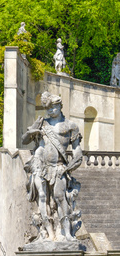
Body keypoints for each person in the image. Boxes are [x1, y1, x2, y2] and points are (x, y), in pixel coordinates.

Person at [22, 92, 82, 242]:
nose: (50, 110)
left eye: (53, 107)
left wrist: (69, 168)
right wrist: (32, 132)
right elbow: (24, 140)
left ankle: (66, 232)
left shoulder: (70, 126)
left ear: (60, 106)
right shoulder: (42, 122)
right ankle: (48, 232)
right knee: (42, 197)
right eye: (47, 108)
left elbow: (77, 152)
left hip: (59, 166)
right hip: (39, 165)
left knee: (60, 197)